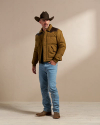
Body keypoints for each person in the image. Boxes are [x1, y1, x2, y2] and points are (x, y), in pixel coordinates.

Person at [32, 11, 66, 119]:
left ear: (49, 20)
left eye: (47, 20)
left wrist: (55, 60)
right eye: (43, 20)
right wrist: (34, 63)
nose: (46, 22)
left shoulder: (57, 32)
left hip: (51, 65)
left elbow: (62, 46)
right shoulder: (38, 35)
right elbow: (36, 50)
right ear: (40, 22)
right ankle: (46, 109)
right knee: (43, 88)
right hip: (41, 65)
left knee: (52, 87)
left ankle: (56, 110)